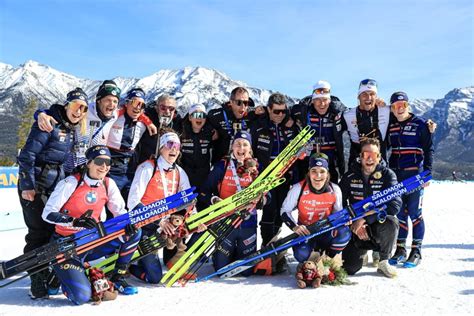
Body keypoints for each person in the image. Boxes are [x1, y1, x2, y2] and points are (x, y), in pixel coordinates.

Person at [41, 145, 141, 305]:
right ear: (88, 162)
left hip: (92, 242)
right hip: (67, 244)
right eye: (99, 161)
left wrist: (128, 224)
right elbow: (47, 213)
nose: (104, 167)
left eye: (108, 163)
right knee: (82, 297)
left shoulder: (108, 184)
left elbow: (120, 212)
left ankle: (119, 277)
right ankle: (58, 276)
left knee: (134, 232)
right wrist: (73, 221)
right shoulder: (71, 183)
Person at [17, 87, 88, 299]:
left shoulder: (72, 128)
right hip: (36, 186)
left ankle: (45, 270)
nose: (78, 111)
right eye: (75, 106)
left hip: (53, 187)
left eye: (83, 109)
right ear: (67, 105)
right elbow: (26, 157)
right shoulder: (48, 123)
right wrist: (28, 186)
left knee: (50, 232)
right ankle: (36, 280)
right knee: (38, 234)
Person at [36, 80, 156, 173]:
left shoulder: (115, 114)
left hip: (91, 168)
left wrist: (148, 122)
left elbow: (133, 112)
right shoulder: (85, 110)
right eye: (108, 100)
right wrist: (41, 114)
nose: (112, 105)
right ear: (99, 100)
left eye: (115, 101)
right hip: (70, 164)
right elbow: (61, 111)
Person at [127, 129, 192, 283]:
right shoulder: (148, 168)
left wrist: (191, 219)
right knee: (155, 278)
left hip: (169, 228)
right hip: (147, 227)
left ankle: (167, 261)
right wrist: (158, 221)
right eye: (170, 144)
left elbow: (189, 201)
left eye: (177, 145)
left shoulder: (179, 172)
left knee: (191, 240)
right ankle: (132, 263)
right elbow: (133, 202)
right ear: (161, 147)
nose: (174, 149)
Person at [199, 131, 266, 275]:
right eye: (238, 144)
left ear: (250, 148)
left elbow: (268, 195)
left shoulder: (257, 169)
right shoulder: (222, 166)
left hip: (248, 221)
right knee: (221, 269)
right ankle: (225, 253)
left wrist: (260, 199)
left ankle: (237, 253)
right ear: (232, 147)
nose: (241, 148)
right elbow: (204, 191)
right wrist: (214, 200)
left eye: (245, 144)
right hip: (225, 222)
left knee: (246, 271)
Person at [339, 138, 402, 278]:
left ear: (379, 157)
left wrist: (366, 219)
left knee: (391, 222)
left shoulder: (388, 175)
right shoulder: (349, 176)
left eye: (373, 155)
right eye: (366, 154)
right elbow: (340, 204)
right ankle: (362, 253)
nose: (369, 159)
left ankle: (383, 260)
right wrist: (353, 222)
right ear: (360, 156)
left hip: (376, 225)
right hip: (356, 227)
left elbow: (394, 205)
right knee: (349, 268)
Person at [387, 91, 434, 267]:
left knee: (415, 213)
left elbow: (429, 148)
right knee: (400, 213)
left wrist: (427, 172)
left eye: (403, 105)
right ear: (392, 108)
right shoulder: (391, 125)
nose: (399, 109)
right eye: (395, 106)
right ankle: (400, 249)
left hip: (414, 174)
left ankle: (416, 250)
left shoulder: (420, 124)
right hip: (396, 175)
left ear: (408, 105)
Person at [280, 155, 351, 262]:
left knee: (344, 233)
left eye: (322, 171)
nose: (318, 175)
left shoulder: (334, 189)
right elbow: (285, 211)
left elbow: (338, 213)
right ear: (309, 172)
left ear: (327, 174)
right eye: (314, 171)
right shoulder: (298, 188)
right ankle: (311, 260)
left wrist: (344, 220)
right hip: (307, 232)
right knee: (301, 254)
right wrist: (295, 227)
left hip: (326, 230)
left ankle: (328, 259)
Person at [251, 92, 298, 246]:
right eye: (276, 111)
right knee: (268, 210)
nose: (280, 115)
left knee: (281, 210)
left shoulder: (290, 124)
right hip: (266, 175)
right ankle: (266, 243)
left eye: (283, 111)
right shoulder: (259, 125)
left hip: (285, 174)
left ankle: (275, 243)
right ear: (269, 110)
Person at [291, 80, 346, 182]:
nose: (322, 104)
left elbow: (355, 115)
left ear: (330, 101)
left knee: (330, 191)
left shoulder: (338, 113)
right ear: (312, 101)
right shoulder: (303, 111)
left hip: (330, 160)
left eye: (325, 99)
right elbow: (281, 113)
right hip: (308, 159)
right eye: (318, 100)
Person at [107, 87, 150, 199]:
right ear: (126, 103)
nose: (138, 107)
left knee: (129, 201)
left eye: (142, 105)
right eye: (134, 103)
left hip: (131, 168)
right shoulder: (114, 117)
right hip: (112, 167)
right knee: (111, 201)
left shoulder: (144, 124)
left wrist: (148, 122)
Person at [343, 79, 390, 165]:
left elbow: (403, 109)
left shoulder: (386, 111)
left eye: (372, 94)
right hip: (356, 165)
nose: (368, 98)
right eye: (364, 94)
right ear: (358, 97)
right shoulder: (347, 115)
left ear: (376, 97)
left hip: (380, 165)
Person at [207, 87, 259, 164]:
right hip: (221, 165)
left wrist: (263, 110)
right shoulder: (217, 115)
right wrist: (210, 130)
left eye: (246, 103)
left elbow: (271, 115)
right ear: (231, 102)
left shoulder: (253, 115)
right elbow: (200, 122)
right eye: (239, 102)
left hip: (243, 165)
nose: (243, 106)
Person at [135, 94, 183, 165]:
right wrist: (147, 121)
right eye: (163, 108)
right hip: (145, 165)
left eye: (171, 108)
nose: (167, 112)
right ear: (157, 108)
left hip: (166, 167)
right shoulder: (148, 119)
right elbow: (134, 113)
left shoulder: (178, 124)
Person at [180, 104, 217, 193]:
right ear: (190, 118)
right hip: (185, 175)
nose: (199, 118)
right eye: (196, 115)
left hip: (203, 175)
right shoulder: (181, 132)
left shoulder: (210, 133)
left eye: (203, 116)